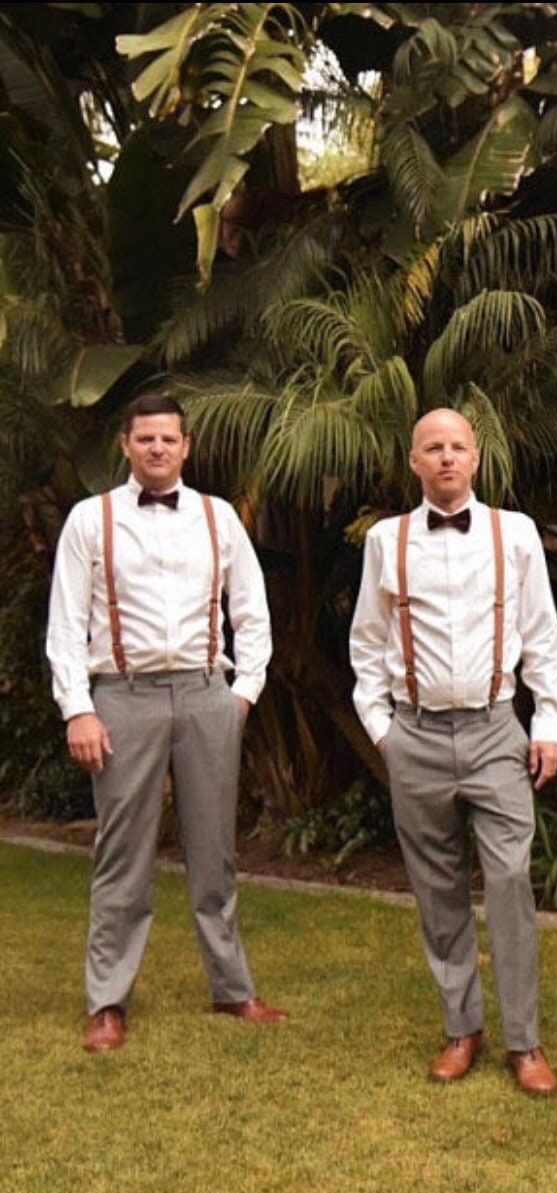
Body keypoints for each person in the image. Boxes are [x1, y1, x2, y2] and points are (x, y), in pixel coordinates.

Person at [46, 393, 287, 1054]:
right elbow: (65, 626)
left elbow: (252, 611)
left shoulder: (218, 519)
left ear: (186, 447)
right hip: (123, 696)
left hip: (208, 694)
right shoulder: (88, 520)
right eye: (145, 438)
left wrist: (242, 693)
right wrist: (79, 706)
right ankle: (106, 1001)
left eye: (168, 439)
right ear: (125, 445)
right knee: (122, 853)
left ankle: (232, 987)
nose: (157, 449)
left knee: (216, 851)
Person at [349, 408, 557, 1097]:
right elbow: (367, 641)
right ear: (413, 461)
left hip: (495, 730)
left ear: (476, 458)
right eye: (432, 448)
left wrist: (549, 722)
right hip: (413, 734)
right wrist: (382, 728)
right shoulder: (387, 540)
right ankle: (460, 1026)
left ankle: (524, 1040)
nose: (446, 458)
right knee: (437, 887)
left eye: (457, 447)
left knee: (508, 880)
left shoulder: (517, 533)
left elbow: (541, 633)